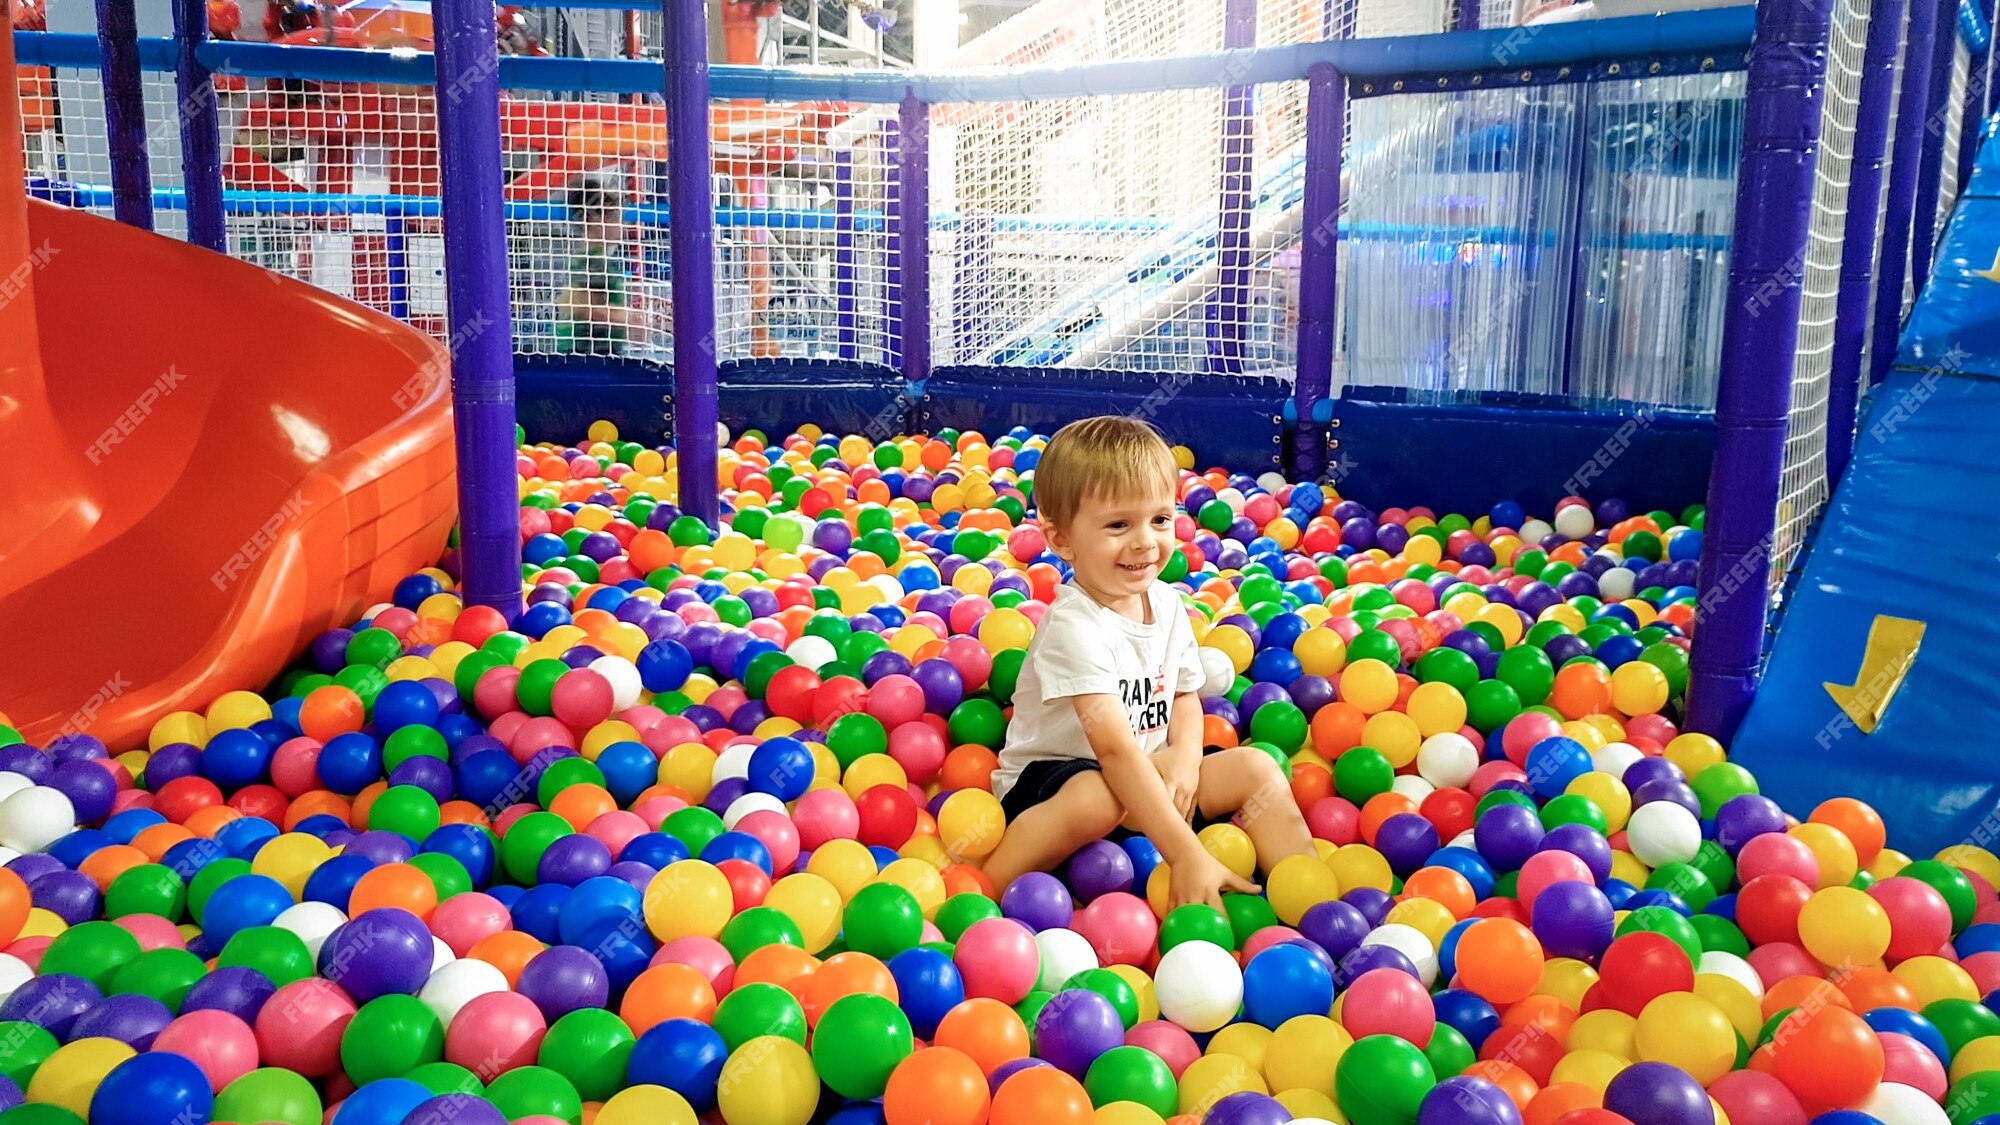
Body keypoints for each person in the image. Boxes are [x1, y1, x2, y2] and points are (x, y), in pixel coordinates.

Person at [979, 416, 1315, 909]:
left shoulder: (1168, 604)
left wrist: (1185, 758)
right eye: (1118, 525)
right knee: (1101, 796)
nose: (1144, 541)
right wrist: (1186, 855)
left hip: (1150, 782)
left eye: (1159, 520)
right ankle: (984, 888)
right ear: (1062, 538)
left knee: (1258, 767)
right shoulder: (1075, 626)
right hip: (1055, 786)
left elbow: (1183, 695)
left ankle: (1306, 901)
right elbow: (1113, 753)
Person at [556, 173, 642, 356]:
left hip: (596, 352)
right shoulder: (592, 263)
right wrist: (634, 320)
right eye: (617, 218)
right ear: (597, 220)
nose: (622, 226)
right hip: (586, 354)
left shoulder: (598, 260)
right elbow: (590, 309)